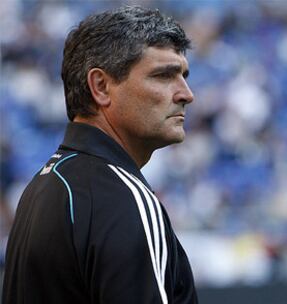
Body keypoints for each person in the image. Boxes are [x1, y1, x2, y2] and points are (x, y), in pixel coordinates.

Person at [2, 5, 198, 304]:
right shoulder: (122, 197)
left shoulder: (45, 185)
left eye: (183, 75)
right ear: (101, 86)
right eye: (163, 75)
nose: (186, 93)